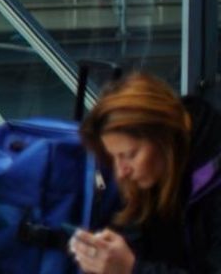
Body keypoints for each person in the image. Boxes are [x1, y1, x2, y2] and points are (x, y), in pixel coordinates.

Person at [73, 72, 221, 273]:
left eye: (130, 154)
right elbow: (135, 240)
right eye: (114, 157)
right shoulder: (156, 171)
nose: (121, 171)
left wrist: (131, 268)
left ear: (164, 138)